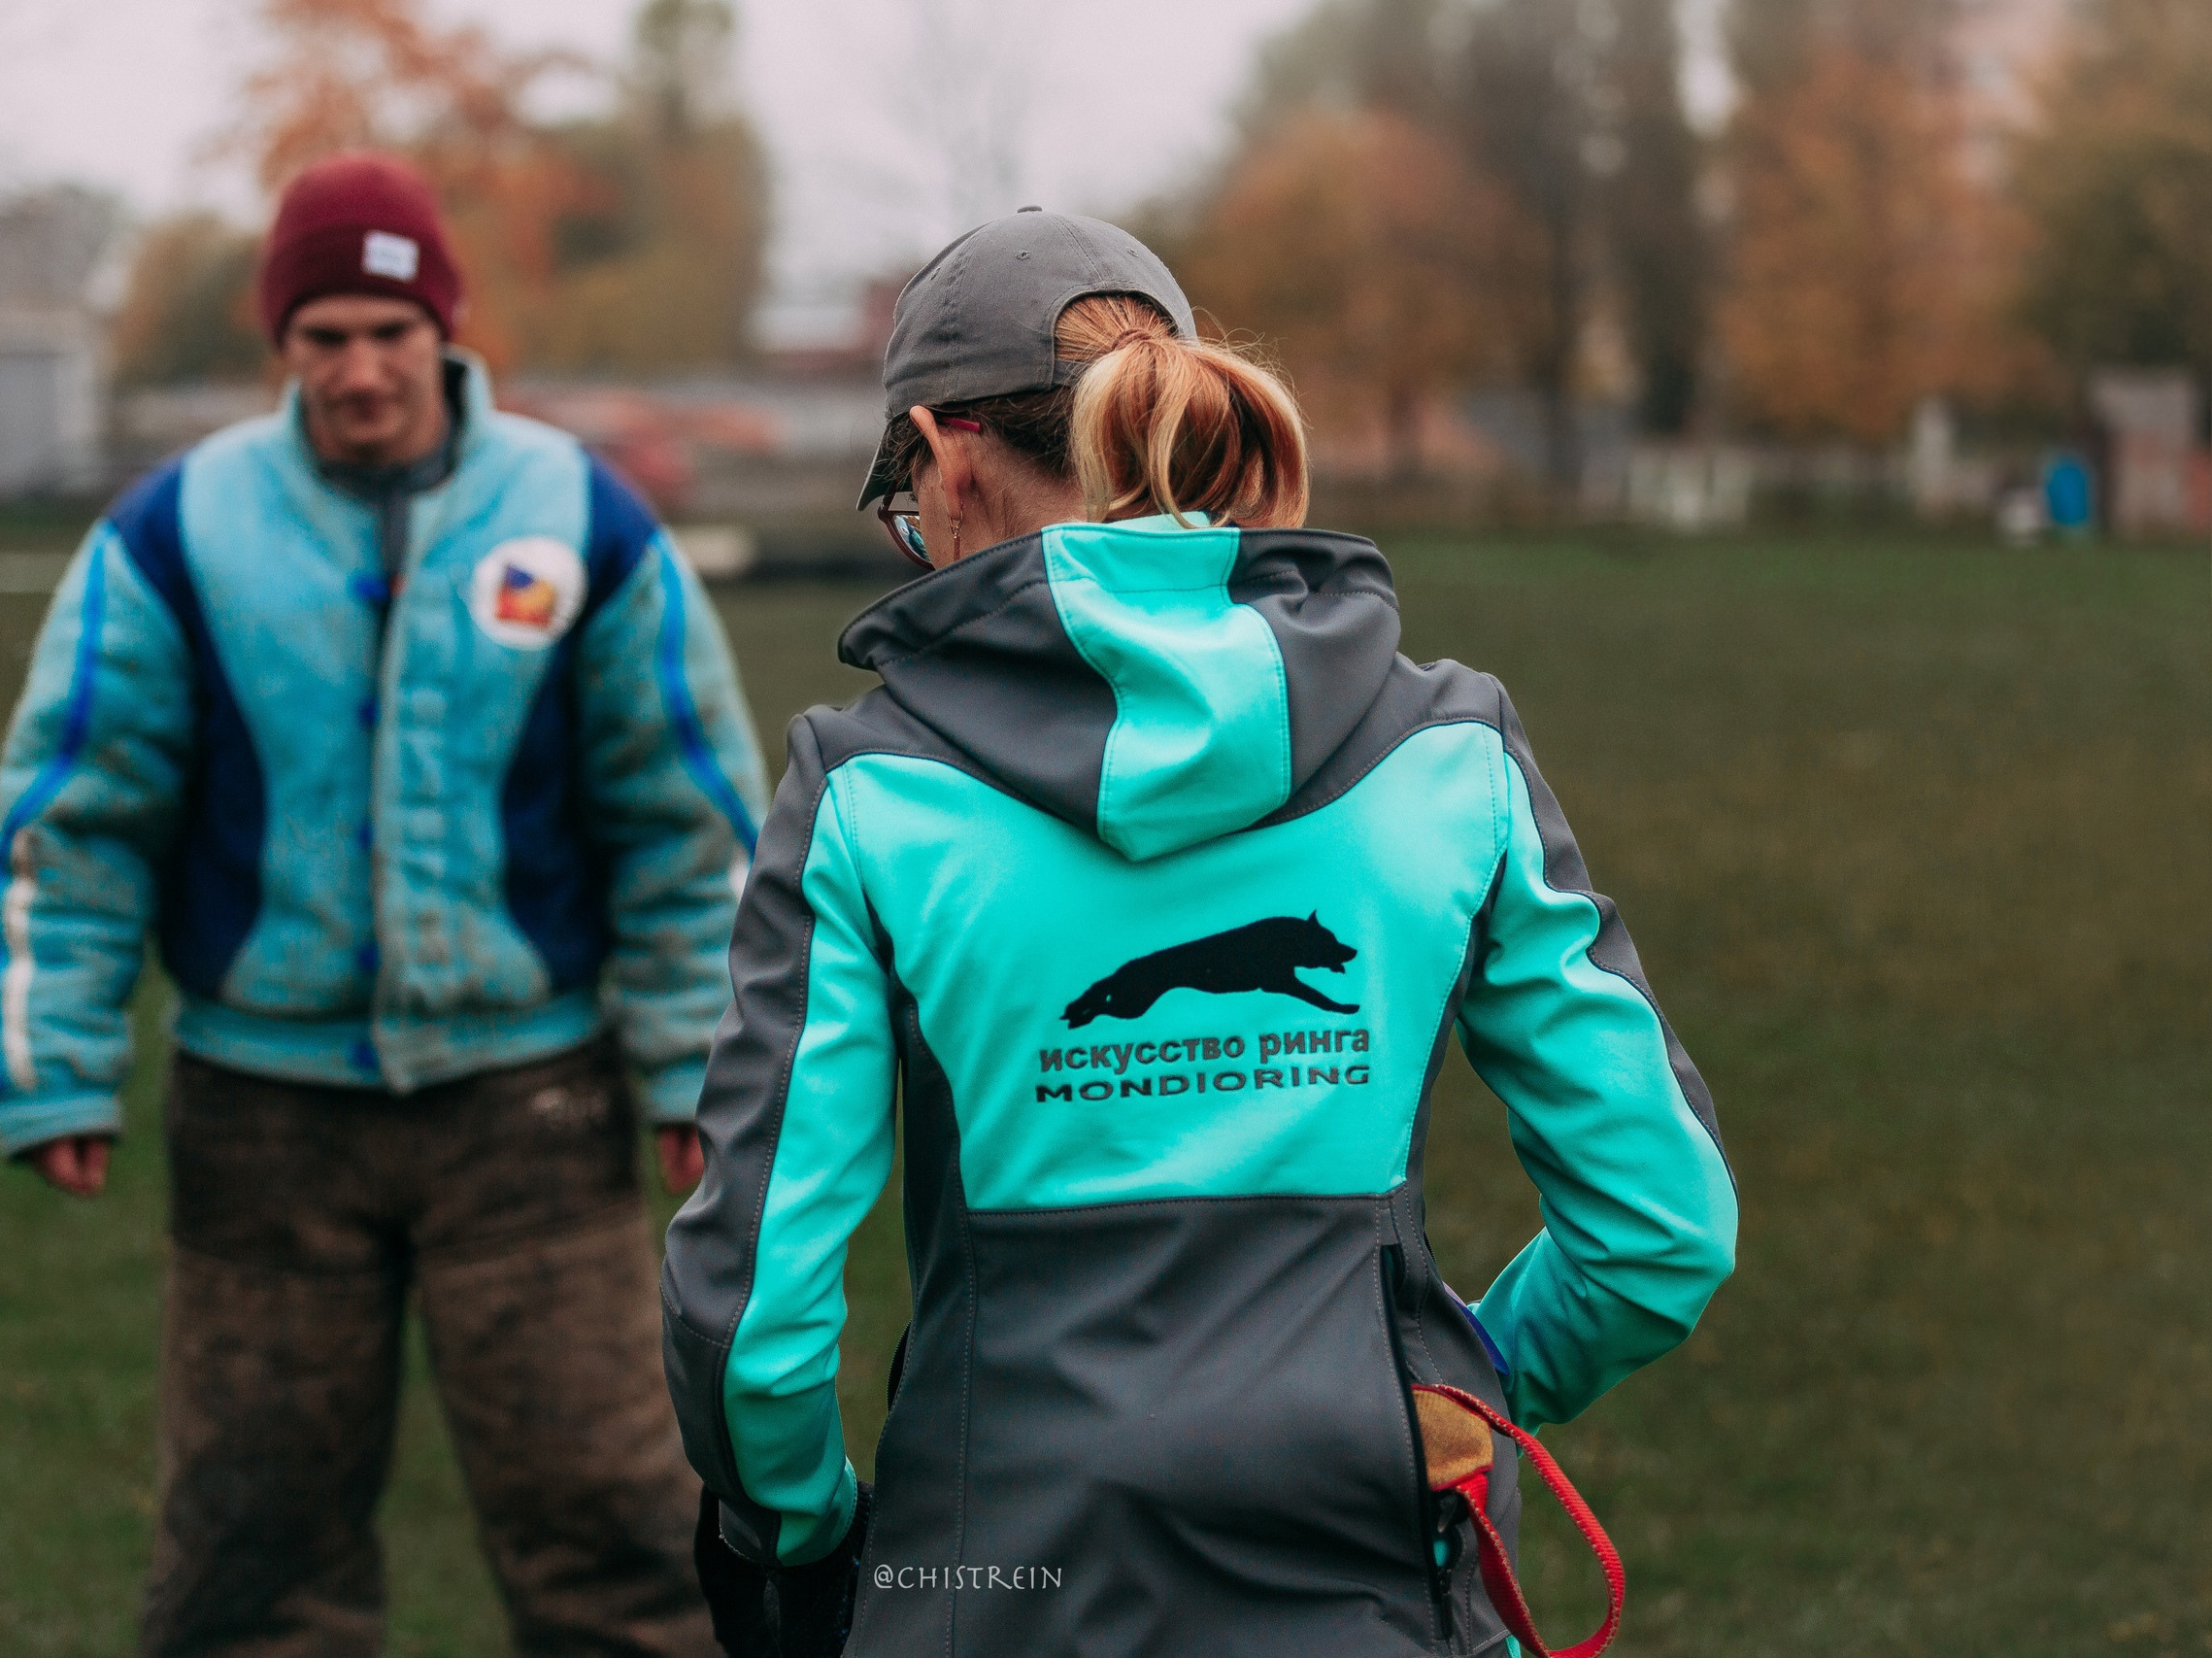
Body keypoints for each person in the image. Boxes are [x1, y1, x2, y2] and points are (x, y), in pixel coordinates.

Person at [659, 210, 1738, 1657]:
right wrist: (1441, 1371)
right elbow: (1660, 1227)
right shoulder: (1450, 750)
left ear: (948, 452)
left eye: (906, 500)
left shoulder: (868, 799)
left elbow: (754, 1340)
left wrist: (800, 1541)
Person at [0, 152, 760, 1658]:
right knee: (251, 1555)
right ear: (284, 347)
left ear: (443, 333)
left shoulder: (576, 516)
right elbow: (72, 808)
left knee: (617, 1533)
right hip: (261, 1117)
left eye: (389, 331)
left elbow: (683, 818)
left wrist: (692, 1063)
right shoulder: (174, 531)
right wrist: (50, 1058)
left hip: (530, 1111)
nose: (360, 368)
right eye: (324, 335)